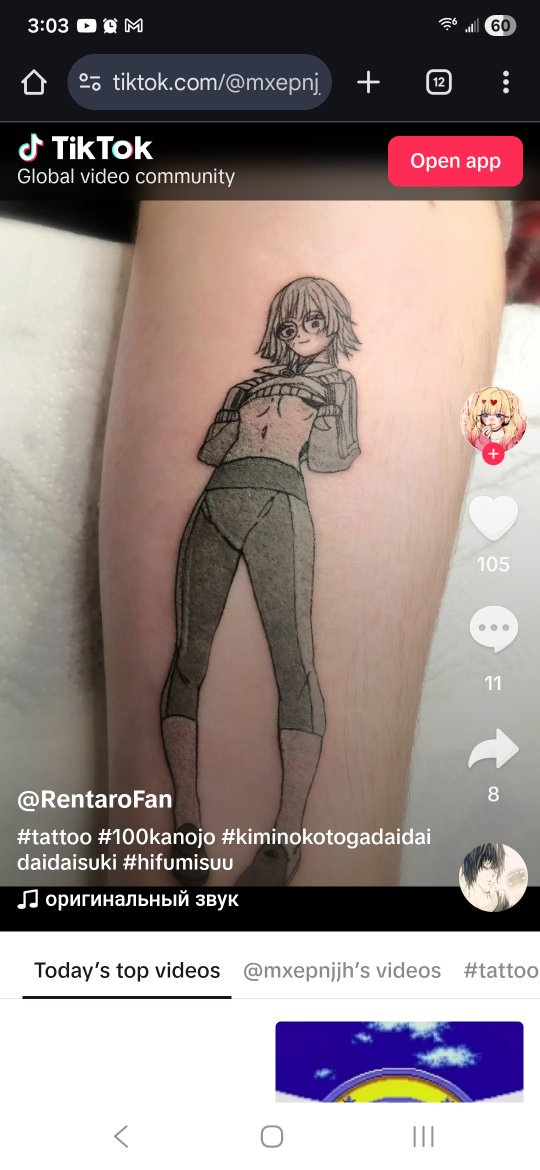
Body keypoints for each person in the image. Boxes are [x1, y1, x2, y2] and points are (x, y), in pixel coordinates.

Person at [160, 277, 360, 885]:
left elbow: (333, 459)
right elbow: (210, 451)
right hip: (217, 500)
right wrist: (234, 408)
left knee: (293, 659)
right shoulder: (246, 386)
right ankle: (186, 822)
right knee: (189, 654)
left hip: (281, 504)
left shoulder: (337, 384)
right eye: (291, 325)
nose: (301, 334)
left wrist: (323, 410)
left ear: (333, 325)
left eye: (314, 323)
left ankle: (286, 838)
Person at [461, 387, 526, 451]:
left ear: (507, 416)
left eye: (498, 415)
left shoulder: (513, 436)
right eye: (485, 415)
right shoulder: (477, 436)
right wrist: (484, 439)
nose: (491, 420)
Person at [459, 843, 510, 912]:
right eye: (487, 864)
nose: (493, 874)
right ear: (472, 864)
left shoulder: (502, 900)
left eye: (495, 867)